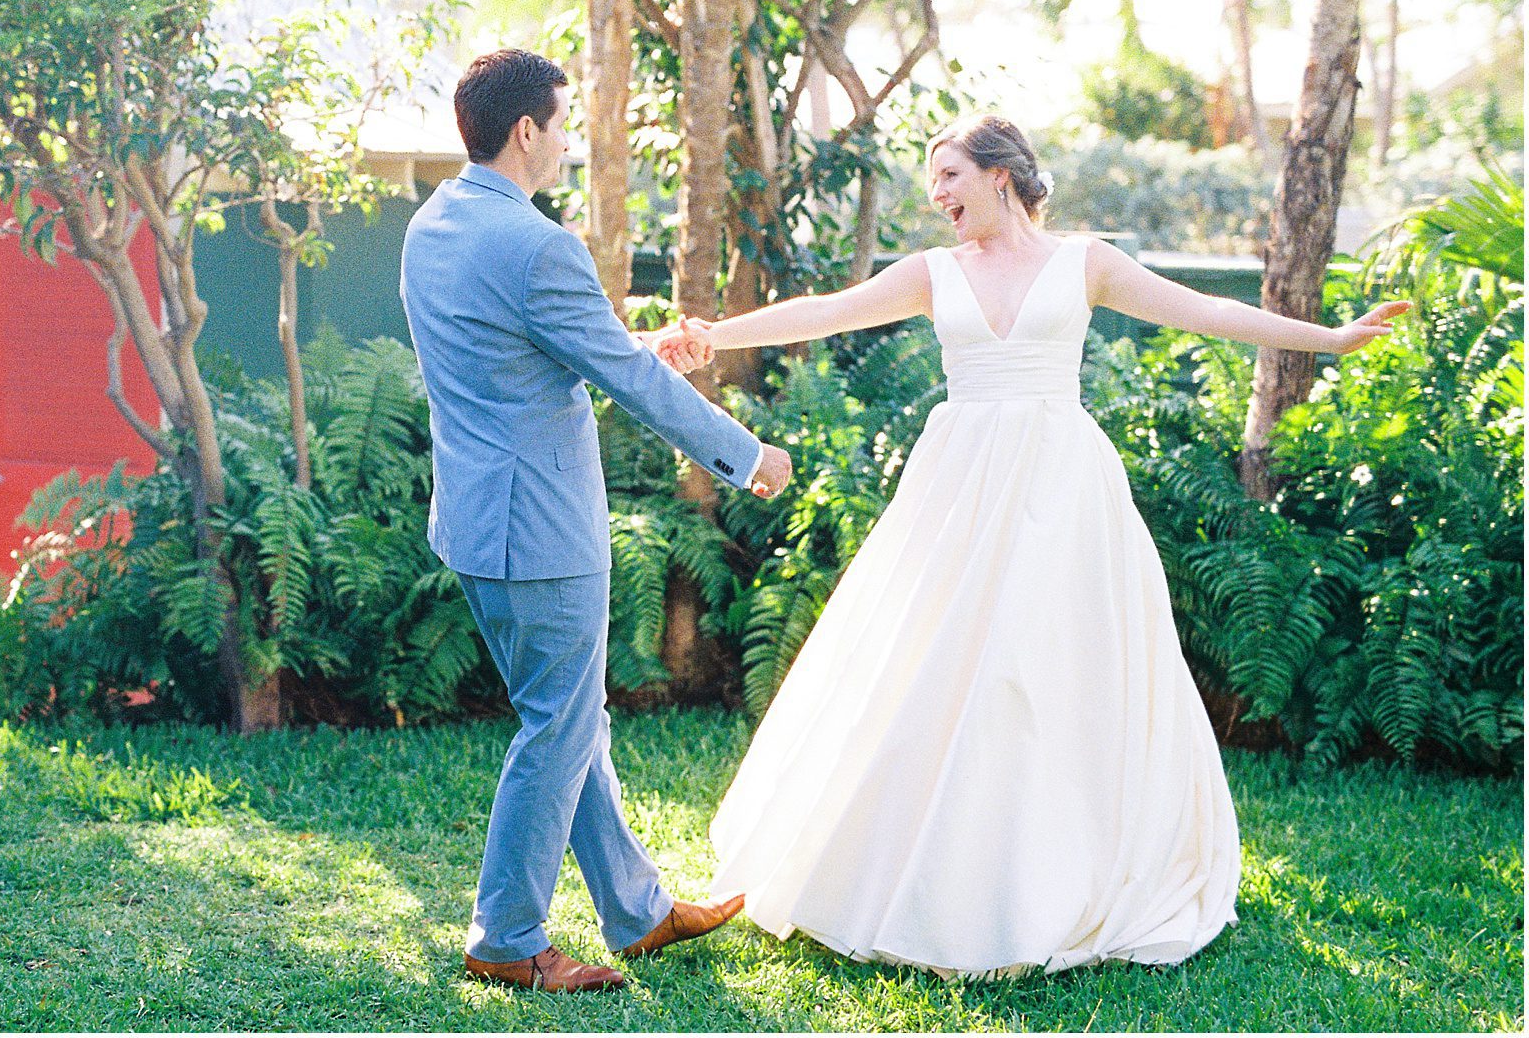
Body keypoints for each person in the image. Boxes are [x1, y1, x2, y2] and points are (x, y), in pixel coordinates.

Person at [662, 114, 1410, 979]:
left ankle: (1067, 868)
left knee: (1055, 668)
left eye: (948, 175)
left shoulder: (1084, 261)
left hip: (1063, 490)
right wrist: (713, 335)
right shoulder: (932, 272)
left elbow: (1205, 310)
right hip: (960, 487)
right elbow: (827, 312)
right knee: (936, 663)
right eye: (933, 181)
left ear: (1000, 176)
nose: (937, 195)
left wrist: (1332, 339)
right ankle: (927, 870)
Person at [398, 49, 794, 992]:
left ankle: (638, 909)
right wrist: (746, 454)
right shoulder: (539, 244)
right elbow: (628, 380)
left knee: (567, 716)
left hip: (474, 523)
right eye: (564, 124)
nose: (569, 143)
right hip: (540, 528)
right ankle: (505, 937)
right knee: (559, 726)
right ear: (527, 130)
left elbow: (523, 349)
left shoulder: (434, 223)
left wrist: (622, 345)